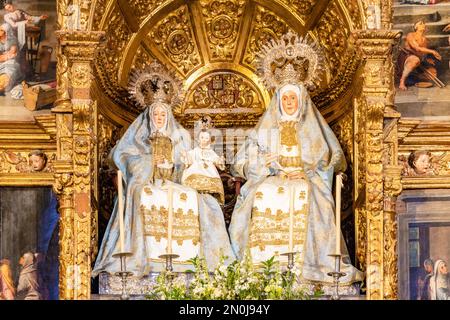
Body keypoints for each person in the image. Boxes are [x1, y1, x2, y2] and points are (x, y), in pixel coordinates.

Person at [92, 71, 234, 278]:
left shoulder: (181, 137)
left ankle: (188, 259)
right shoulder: (140, 137)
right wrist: (149, 162)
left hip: (173, 183)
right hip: (147, 182)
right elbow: (122, 156)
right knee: (147, 196)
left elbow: (189, 163)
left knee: (192, 198)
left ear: (168, 117)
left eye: (163, 115)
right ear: (150, 116)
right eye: (156, 115)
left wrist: (184, 168)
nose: (159, 118)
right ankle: (147, 258)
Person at [229, 82, 363, 285]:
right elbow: (242, 162)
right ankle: (263, 266)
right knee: (264, 194)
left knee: (312, 199)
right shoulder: (267, 128)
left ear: (300, 101)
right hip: (273, 179)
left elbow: (329, 160)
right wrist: (263, 165)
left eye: (292, 98)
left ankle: (308, 265)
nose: (289, 102)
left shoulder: (312, 129)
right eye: (285, 98)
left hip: (305, 180)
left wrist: (306, 172)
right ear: (279, 102)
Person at [181, 119, 226, 204]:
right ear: (198, 139)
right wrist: (185, 155)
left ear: (209, 140)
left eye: (206, 138)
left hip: (209, 173)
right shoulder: (195, 151)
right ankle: (197, 196)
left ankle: (207, 197)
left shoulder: (211, 152)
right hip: (196, 171)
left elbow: (216, 160)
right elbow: (189, 158)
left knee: (208, 191)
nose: (204, 140)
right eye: (202, 137)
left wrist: (220, 160)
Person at [397, 20, 442, 90]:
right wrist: (432, 51)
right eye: (420, 23)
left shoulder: (424, 39)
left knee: (433, 73)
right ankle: (402, 82)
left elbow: (422, 52)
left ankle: (413, 79)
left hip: (418, 59)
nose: (423, 24)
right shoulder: (411, 35)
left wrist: (427, 59)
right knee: (415, 60)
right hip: (406, 56)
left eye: (424, 23)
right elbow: (417, 48)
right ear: (416, 27)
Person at [0, 23, 21, 94]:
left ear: (6, 31)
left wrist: (5, 56)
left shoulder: (12, 40)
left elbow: (13, 53)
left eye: (1, 30)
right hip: (2, 61)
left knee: (9, 71)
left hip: (10, 61)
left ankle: (3, 86)